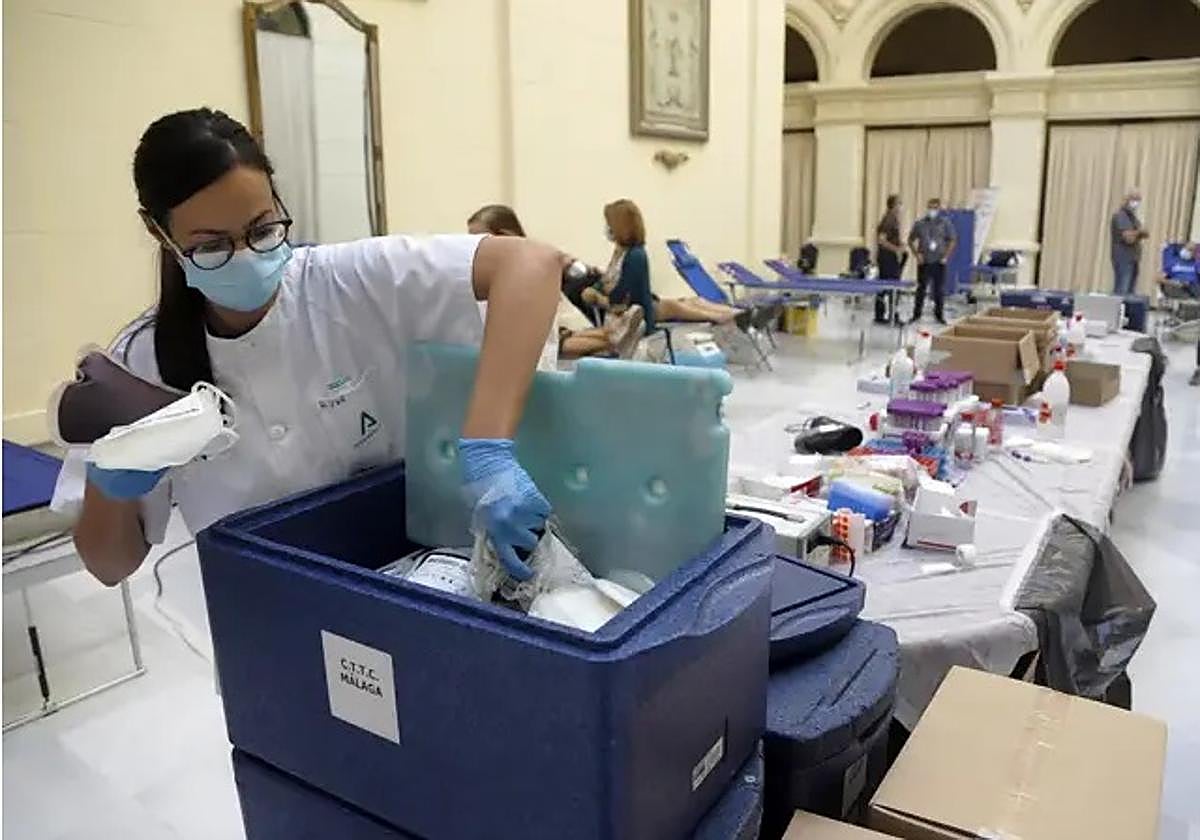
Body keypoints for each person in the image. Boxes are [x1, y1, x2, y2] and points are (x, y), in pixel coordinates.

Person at [61, 108, 562, 586]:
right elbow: (109, 566)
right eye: (211, 246)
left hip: (402, 576)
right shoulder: (140, 366)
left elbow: (531, 266)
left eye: (261, 230)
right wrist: (110, 480)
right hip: (267, 614)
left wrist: (487, 450)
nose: (246, 257)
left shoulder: (349, 282)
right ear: (159, 232)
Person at [466, 204, 644, 359]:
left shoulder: (634, 254)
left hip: (547, 333)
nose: (475, 248)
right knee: (564, 336)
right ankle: (614, 338)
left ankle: (614, 338)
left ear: (504, 236)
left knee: (557, 340)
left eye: (479, 240)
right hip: (552, 328)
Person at [586, 199, 742, 328]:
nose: (607, 229)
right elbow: (609, 281)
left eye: (609, 224)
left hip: (635, 311)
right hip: (636, 306)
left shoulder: (634, 255)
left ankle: (731, 315)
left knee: (687, 303)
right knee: (679, 304)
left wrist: (598, 296)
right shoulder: (621, 252)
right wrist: (599, 286)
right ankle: (731, 315)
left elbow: (620, 295)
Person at [907, 197, 956, 325]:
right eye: (930, 208)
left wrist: (946, 256)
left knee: (939, 290)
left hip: (939, 261)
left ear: (939, 209)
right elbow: (910, 240)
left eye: (934, 208)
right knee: (921, 289)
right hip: (924, 261)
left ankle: (939, 315)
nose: (931, 210)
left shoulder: (945, 223)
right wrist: (917, 254)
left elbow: (952, 240)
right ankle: (916, 314)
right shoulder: (920, 223)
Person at [873, 194, 907, 324]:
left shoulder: (893, 219)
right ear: (893, 205)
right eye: (899, 203)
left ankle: (884, 314)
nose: (901, 206)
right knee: (890, 286)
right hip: (887, 258)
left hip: (889, 257)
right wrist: (896, 249)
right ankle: (888, 315)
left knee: (887, 286)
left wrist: (900, 245)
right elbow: (881, 240)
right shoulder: (889, 219)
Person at [1111, 189, 1150, 296]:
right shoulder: (1121, 216)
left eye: (1138, 200)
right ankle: (1117, 311)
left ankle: (1127, 311)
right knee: (1122, 289)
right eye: (1134, 199)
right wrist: (1139, 232)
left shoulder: (1133, 217)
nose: (1136, 203)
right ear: (1127, 200)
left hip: (1133, 258)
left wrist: (1141, 232)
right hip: (1123, 258)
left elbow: (1143, 233)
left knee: (1130, 292)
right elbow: (1128, 238)